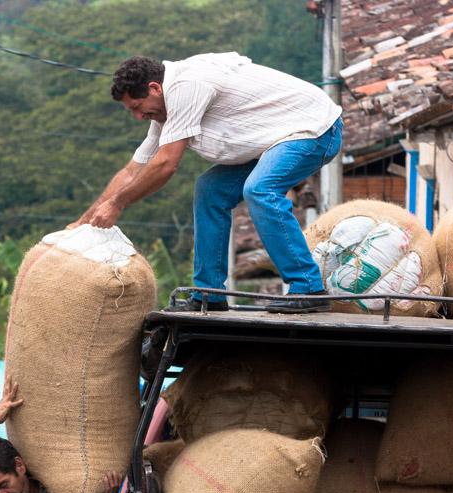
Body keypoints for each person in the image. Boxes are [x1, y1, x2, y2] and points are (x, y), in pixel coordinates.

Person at [70, 52, 342, 313]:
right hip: (276, 140)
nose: (138, 117)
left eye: (137, 108)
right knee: (210, 190)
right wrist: (84, 221)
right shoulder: (167, 110)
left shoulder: (188, 85)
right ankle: (210, 294)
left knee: (260, 189)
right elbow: (132, 171)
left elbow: (166, 165)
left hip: (314, 129)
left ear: (155, 88)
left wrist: (117, 205)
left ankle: (308, 287)